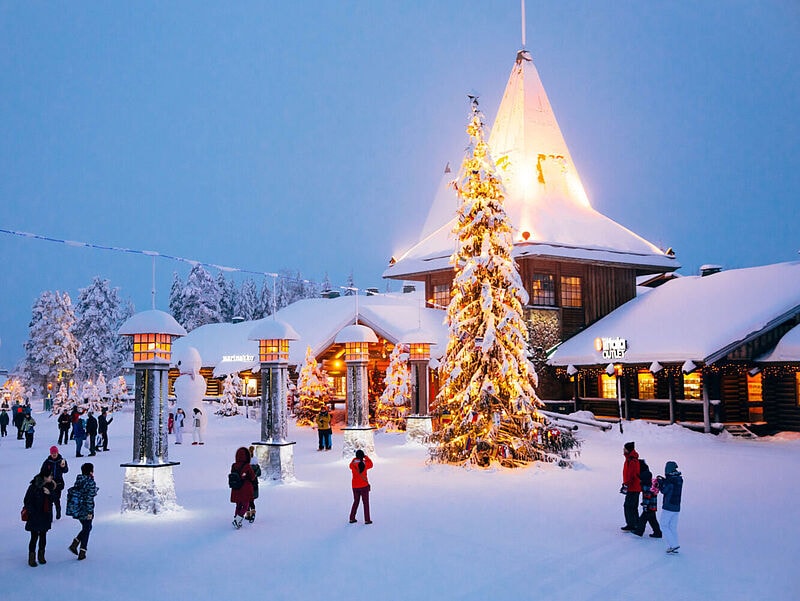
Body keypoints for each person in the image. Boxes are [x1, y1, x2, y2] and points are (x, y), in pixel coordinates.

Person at [24, 464, 56, 566]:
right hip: (35, 516)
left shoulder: (50, 486)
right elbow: (27, 501)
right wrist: (32, 512)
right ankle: (31, 558)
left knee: (43, 536)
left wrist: (49, 494)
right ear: (44, 477)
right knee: (34, 537)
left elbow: (55, 499)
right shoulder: (33, 487)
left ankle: (41, 556)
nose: (51, 477)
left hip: (45, 516)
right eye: (49, 476)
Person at [68, 462, 98, 560]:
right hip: (86, 509)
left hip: (78, 509)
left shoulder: (79, 480)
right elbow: (89, 498)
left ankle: (76, 544)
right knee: (87, 528)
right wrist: (89, 512)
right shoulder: (90, 482)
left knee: (87, 528)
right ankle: (81, 550)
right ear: (91, 471)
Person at [658, 460, 683, 554]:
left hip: (669, 506)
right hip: (676, 507)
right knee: (672, 527)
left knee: (663, 525)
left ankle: (673, 545)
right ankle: (674, 544)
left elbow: (664, 491)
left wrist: (661, 484)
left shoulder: (670, 481)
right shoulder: (678, 479)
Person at [633, 458, 662, 538]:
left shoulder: (646, 486)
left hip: (649, 507)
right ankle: (657, 532)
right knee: (652, 520)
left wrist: (645, 505)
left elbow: (647, 496)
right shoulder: (652, 485)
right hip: (652, 506)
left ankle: (639, 532)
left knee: (643, 519)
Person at [230, 447, 257, 529]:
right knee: (245, 505)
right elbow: (252, 477)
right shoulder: (247, 466)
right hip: (245, 489)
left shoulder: (234, 465)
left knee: (238, 505)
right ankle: (237, 520)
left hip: (236, 488)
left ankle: (236, 519)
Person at [41, 446, 69, 520]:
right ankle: (50, 517)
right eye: (52, 453)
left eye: (55, 453)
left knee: (57, 499)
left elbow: (66, 470)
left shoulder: (62, 460)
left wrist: (63, 467)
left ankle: (58, 512)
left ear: (57, 452)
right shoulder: (47, 462)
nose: (54, 454)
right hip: (49, 483)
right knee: (49, 500)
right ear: (50, 454)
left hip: (59, 483)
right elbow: (42, 472)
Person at [620, 441, 641, 531]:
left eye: (625, 449)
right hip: (633, 487)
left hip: (633, 487)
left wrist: (626, 484)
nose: (623, 450)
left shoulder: (632, 460)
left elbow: (632, 475)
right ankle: (633, 523)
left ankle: (633, 524)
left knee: (629, 506)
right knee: (631, 506)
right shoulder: (630, 459)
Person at [348, 449, 373, 524]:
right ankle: (367, 519)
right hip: (364, 485)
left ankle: (352, 517)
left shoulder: (353, 464)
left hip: (355, 486)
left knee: (356, 501)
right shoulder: (365, 463)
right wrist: (366, 457)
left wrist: (355, 458)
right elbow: (371, 464)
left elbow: (351, 464)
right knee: (365, 503)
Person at [246, 445, 261, 523]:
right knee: (252, 500)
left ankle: (248, 514)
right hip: (254, 483)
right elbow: (259, 473)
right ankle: (252, 513)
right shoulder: (256, 464)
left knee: (247, 500)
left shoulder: (246, 465)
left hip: (247, 484)